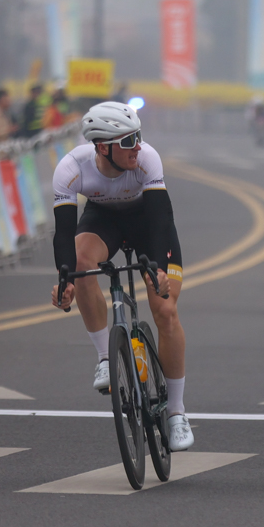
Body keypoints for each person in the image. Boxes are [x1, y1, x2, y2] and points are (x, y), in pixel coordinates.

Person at [48, 101, 192, 451]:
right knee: (81, 263)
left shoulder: (147, 159)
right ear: (102, 147)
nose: (137, 146)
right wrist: (65, 280)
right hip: (104, 221)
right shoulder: (70, 168)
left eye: (138, 137)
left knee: (166, 311)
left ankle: (176, 412)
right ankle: (103, 357)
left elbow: (160, 219)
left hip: (148, 222)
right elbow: (64, 234)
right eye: (128, 142)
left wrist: (157, 268)